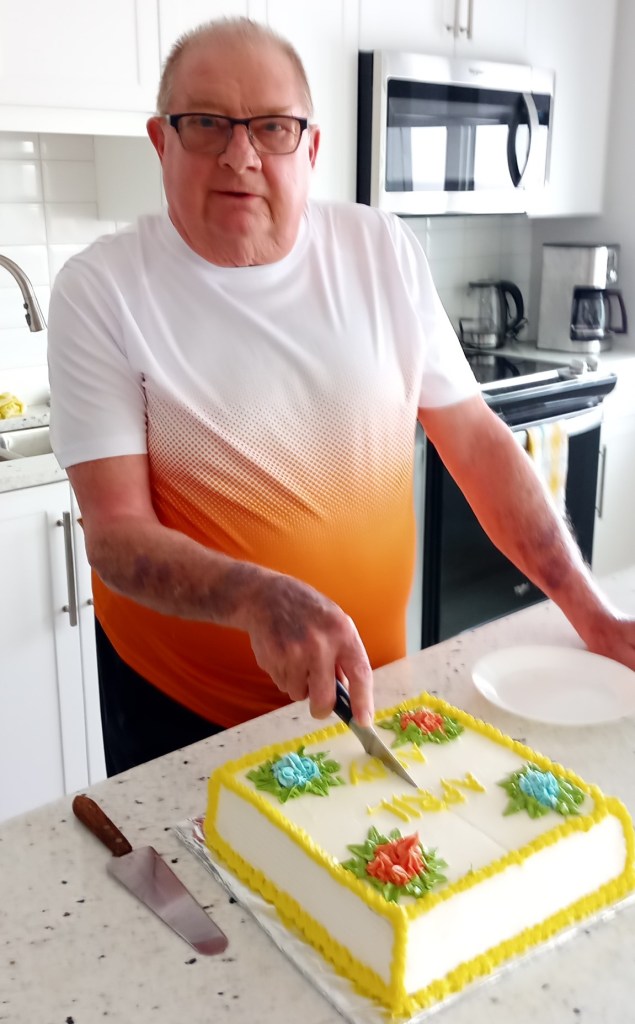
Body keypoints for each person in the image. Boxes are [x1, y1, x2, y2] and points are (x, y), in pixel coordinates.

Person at [48, 17, 635, 777]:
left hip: (372, 689)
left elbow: (479, 445)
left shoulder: (381, 251)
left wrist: (590, 611)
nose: (240, 155)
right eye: (205, 123)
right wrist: (257, 597)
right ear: (162, 142)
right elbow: (116, 535)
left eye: (272, 127)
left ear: (311, 148)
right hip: (184, 717)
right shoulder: (102, 289)